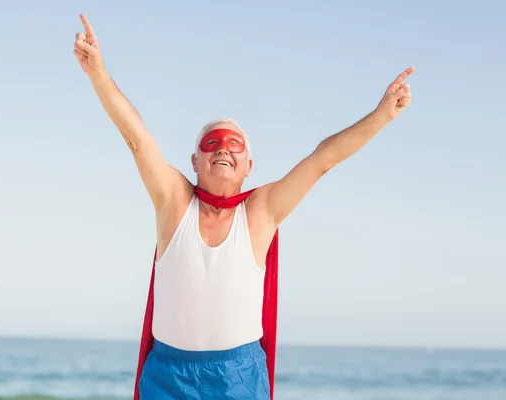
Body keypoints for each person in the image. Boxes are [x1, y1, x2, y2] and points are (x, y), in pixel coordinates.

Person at [73, 13, 413, 400]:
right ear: (194, 162)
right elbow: (136, 137)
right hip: (168, 376)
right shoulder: (173, 199)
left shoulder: (260, 210)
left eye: (234, 145)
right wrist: (98, 73)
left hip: (238, 377)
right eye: (212, 143)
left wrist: (382, 115)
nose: (222, 149)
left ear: (248, 166)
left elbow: (323, 160)